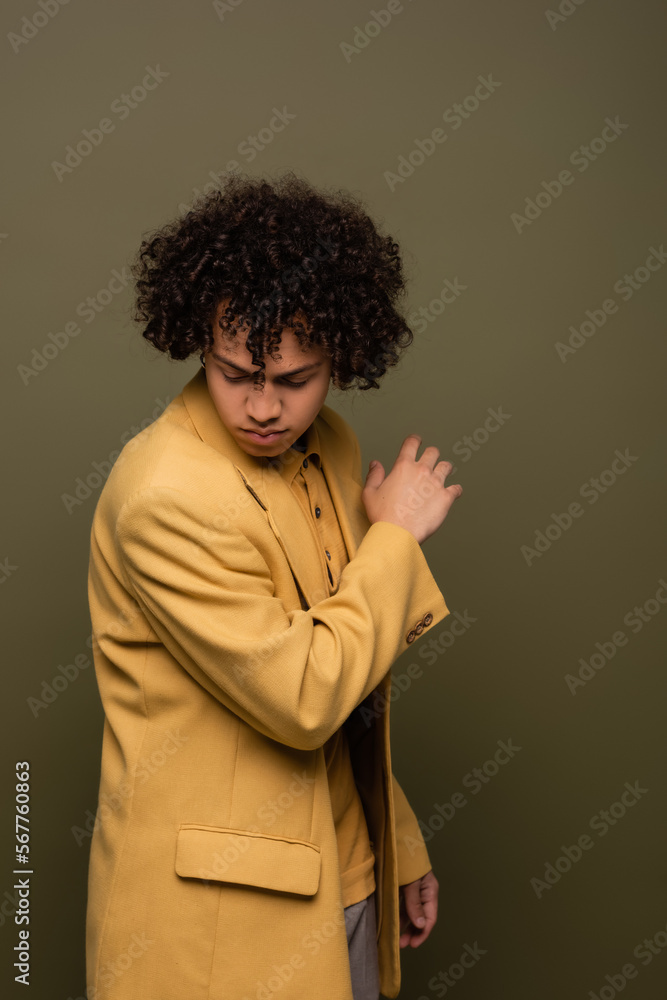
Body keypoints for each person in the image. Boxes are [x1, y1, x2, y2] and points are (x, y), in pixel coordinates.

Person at [85, 171, 462, 1000]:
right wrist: (395, 537)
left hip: (345, 871)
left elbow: (349, 669)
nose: (263, 408)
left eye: (294, 380)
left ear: (341, 359)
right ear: (199, 343)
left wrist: (395, 841)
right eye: (234, 374)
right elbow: (304, 696)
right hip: (214, 919)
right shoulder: (165, 497)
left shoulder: (329, 444)